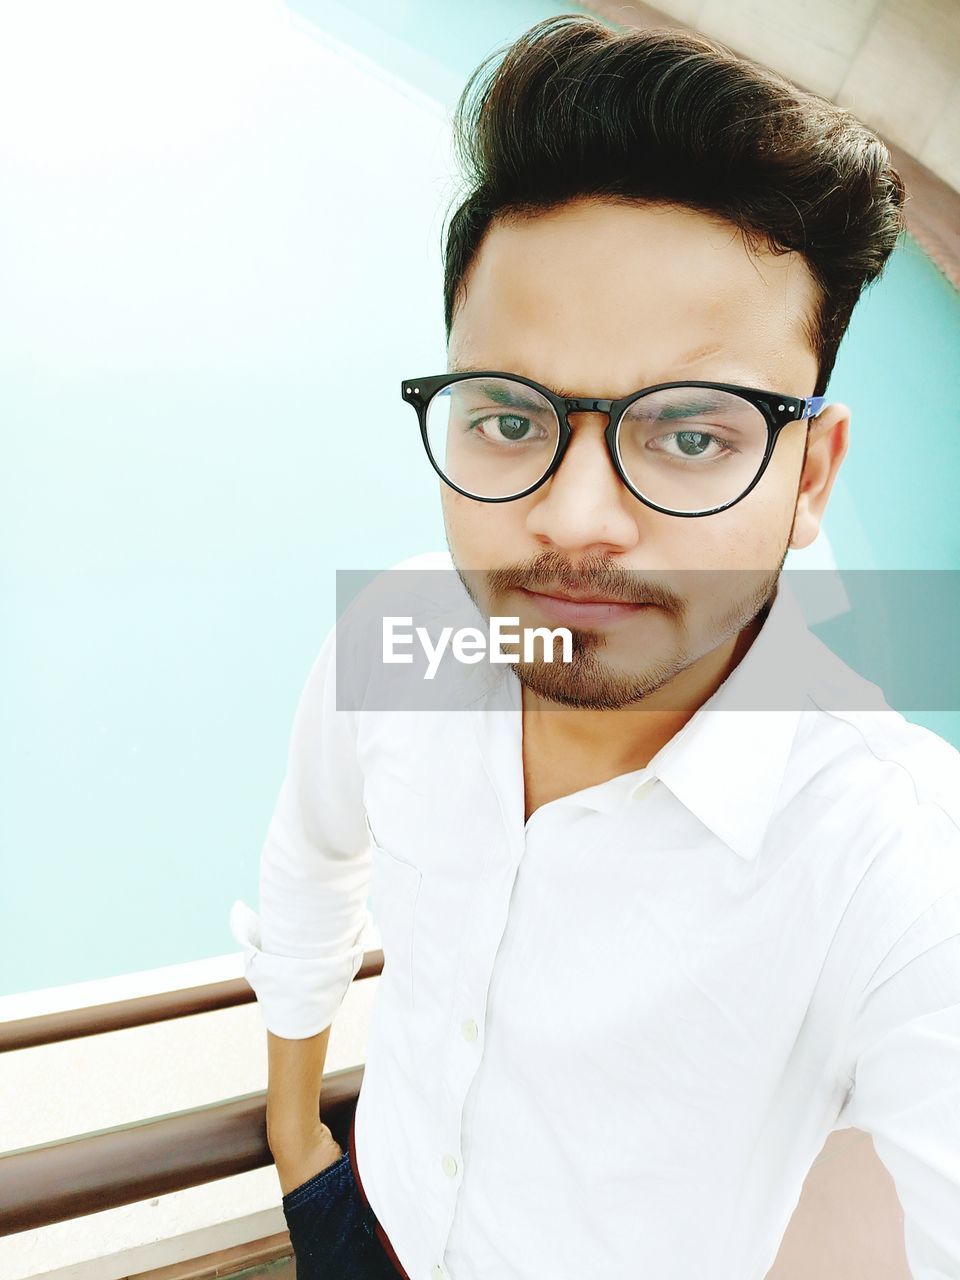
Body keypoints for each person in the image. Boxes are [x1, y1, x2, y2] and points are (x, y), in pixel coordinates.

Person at [230, 15, 960, 1280]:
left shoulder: (889, 851)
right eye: (511, 415)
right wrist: (303, 1146)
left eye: (692, 435)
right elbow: (309, 871)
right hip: (369, 1227)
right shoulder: (399, 632)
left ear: (810, 476)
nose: (572, 519)